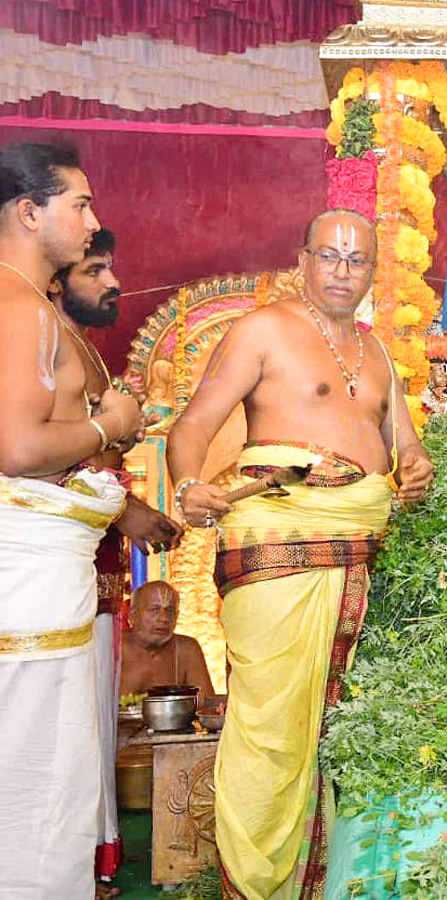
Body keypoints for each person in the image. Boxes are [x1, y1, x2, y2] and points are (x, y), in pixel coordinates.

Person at [166, 208, 434, 899]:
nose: (344, 272)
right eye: (332, 256)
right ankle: (256, 888)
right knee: (271, 731)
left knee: (335, 730)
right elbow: (193, 425)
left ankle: (319, 882)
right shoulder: (265, 330)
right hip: (280, 543)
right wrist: (190, 484)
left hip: (361, 554)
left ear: (374, 271)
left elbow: (407, 446)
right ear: (304, 259)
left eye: (358, 261)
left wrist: (415, 469)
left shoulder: (378, 353)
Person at [0, 142, 145, 898]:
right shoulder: (18, 304)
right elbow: (19, 448)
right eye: (80, 205)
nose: (94, 222)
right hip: (26, 591)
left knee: (46, 783)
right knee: (36, 786)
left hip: (41, 583)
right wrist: (111, 423)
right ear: (31, 211)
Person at [47, 227, 184, 890]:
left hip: (90, 569)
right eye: (94, 270)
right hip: (46, 568)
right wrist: (122, 506)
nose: (113, 284)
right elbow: (33, 459)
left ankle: (88, 865)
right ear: (55, 276)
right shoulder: (36, 341)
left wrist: (123, 512)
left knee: (86, 728)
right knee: (59, 730)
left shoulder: (73, 344)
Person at [120, 580, 214, 703]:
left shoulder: (186, 649)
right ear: (132, 615)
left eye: (170, 610)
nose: (164, 618)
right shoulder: (115, 648)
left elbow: (206, 703)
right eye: (154, 610)